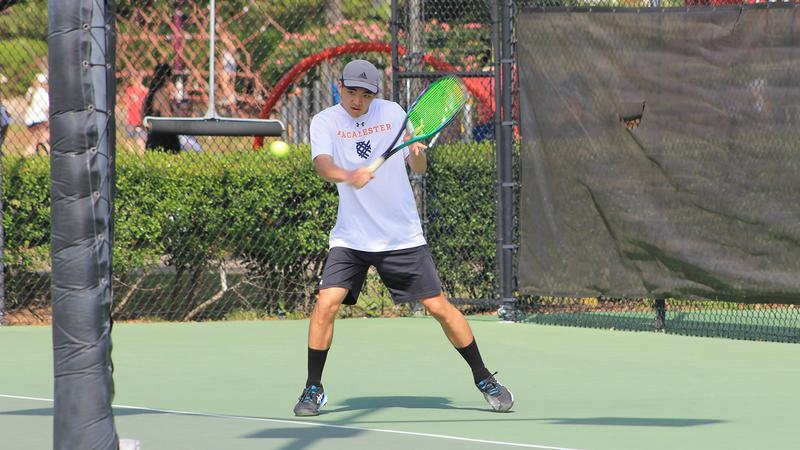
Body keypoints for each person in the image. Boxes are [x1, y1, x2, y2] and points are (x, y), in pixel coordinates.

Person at [293, 59, 514, 417]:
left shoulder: (394, 113)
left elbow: (418, 168)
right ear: (339, 87)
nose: (357, 100)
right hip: (351, 237)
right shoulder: (326, 121)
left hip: (400, 237)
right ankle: (313, 388)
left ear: (375, 95)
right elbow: (322, 165)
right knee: (325, 304)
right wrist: (349, 175)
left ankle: (484, 378)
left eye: (365, 95)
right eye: (351, 92)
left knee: (439, 308)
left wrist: (417, 155)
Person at [143, 63, 180, 153]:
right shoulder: (161, 93)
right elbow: (167, 118)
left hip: (155, 138)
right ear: (168, 78)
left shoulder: (153, 92)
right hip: (164, 139)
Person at [24, 73, 49, 155]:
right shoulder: (42, 92)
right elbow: (47, 107)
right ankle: (48, 156)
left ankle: (27, 155)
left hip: (30, 119)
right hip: (41, 119)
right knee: (45, 139)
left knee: (34, 142)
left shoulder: (30, 90)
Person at [124, 70, 148, 149]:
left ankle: (140, 155)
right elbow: (126, 103)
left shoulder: (144, 90)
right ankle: (132, 155)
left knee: (140, 140)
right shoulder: (130, 90)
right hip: (132, 119)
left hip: (140, 119)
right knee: (129, 140)